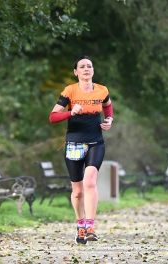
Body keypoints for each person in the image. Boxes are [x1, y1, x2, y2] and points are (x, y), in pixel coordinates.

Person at [48, 55, 113, 245]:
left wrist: (109, 120)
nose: (86, 69)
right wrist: (70, 112)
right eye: (82, 67)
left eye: (89, 66)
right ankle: (80, 224)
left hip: (96, 142)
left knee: (90, 181)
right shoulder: (70, 91)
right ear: (76, 72)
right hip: (74, 143)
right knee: (77, 191)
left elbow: (108, 107)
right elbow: (52, 117)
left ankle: (91, 227)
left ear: (93, 70)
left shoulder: (102, 90)